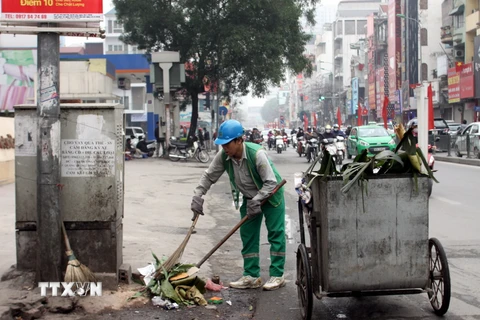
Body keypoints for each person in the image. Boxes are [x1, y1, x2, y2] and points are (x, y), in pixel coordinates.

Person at [191, 119, 286, 291]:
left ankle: (277, 275)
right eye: (222, 144)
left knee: (275, 234)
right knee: (248, 235)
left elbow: (271, 182)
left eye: (227, 144)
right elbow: (209, 176)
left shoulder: (256, 154)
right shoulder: (224, 157)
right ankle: (251, 276)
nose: (224, 147)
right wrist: (198, 195)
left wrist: (258, 199)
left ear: (239, 140)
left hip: (271, 195)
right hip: (250, 197)